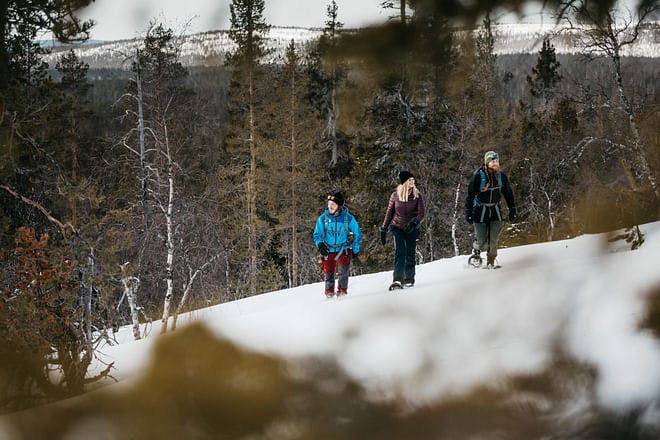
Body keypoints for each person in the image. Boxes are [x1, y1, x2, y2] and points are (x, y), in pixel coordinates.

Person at [465, 150, 516, 268]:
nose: (495, 163)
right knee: (482, 241)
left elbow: (508, 193)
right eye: (493, 161)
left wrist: (512, 209)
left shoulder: (501, 176)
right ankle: (476, 250)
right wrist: (468, 212)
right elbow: (470, 195)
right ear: (487, 163)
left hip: (495, 210)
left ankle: (491, 261)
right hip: (480, 210)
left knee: (493, 240)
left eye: (497, 161)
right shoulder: (478, 176)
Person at [380, 171, 425, 290]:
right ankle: (397, 280)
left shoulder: (417, 195)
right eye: (410, 180)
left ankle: (409, 279)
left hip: (411, 228)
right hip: (398, 227)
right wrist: (383, 229)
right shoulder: (395, 195)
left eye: (413, 180)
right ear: (404, 182)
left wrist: (414, 223)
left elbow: (421, 213)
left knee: (410, 253)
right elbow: (389, 213)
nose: (412, 182)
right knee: (400, 253)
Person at [313, 191, 362, 298]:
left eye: (333, 204)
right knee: (328, 272)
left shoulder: (348, 218)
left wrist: (355, 248)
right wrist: (320, 245)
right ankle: (329, 293)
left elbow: (358, 233)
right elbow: (317, 234)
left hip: (343, 249)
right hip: (328, 249)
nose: (330, 206)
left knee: (343, 272)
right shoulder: (323, 218)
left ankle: (342, 292)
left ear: (339, 206)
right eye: (329, 204)